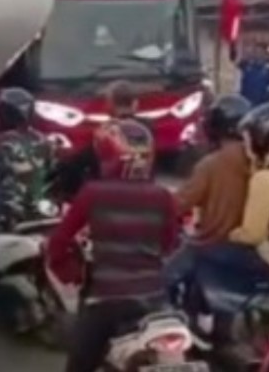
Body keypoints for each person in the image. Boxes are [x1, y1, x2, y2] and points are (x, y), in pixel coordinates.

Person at [47, 117, 179, 372]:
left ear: (107, 156)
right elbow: (169, 244)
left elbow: (58, 243)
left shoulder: (93, 193)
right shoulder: (163, 196)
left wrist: (71, 275)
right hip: (155, 298)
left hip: (106, 299)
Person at [198, 103, 269, 288]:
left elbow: (252, 235)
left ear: (263, 141)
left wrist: (229, 235)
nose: (246, 147)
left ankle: (220, 309)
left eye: (248, 140)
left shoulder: (264, 179)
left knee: (206, 252)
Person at [165, 95, 253, 286]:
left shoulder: (210, 165)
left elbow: (177, 204)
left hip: (214, 245)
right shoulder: (260, 160)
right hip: (254, 251)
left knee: (162, 280)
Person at [0, 87, 55, 222]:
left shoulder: (1, 143)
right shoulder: (43, 140)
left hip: (11, 213)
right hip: (45, 208)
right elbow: (51, 172)